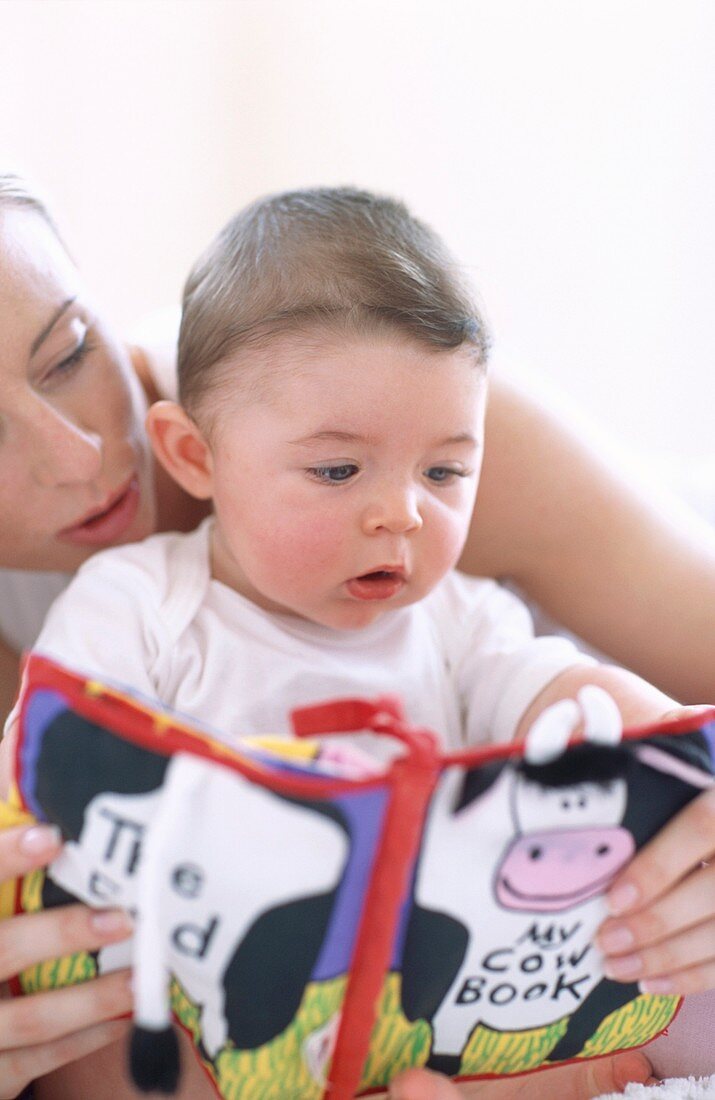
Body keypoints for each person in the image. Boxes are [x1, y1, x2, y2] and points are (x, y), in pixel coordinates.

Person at [0, 174, 711, 1096]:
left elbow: (547, 679)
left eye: (67, 355)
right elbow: (51, 757)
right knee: (108, 1031)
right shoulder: (135, 602)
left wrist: (653, 742)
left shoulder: (443, 573)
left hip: (434, 969)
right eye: (336, 470)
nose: (403, 515)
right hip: (225, 960)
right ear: (197, 455)